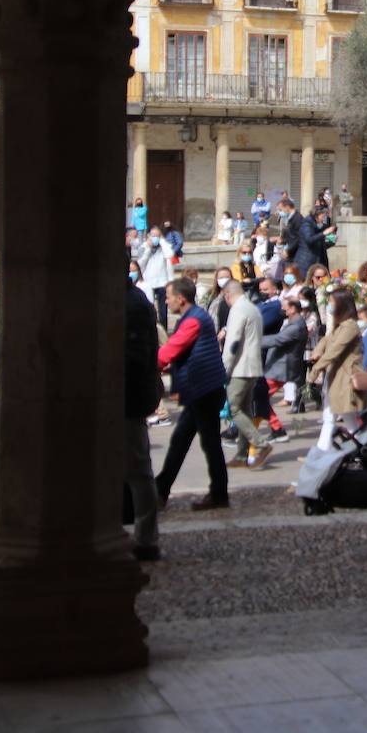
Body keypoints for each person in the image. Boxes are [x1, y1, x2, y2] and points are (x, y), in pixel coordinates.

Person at [155, 277, 229, 511]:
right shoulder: (195, 317)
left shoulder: (193, 320)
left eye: (168, 297)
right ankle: (162, 490)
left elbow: (169, 351)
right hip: (203, 390)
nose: (166, 302)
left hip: (203, 390)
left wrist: (147, 363)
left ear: (181, 298)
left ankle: (218, 494)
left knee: (207, 443)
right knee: (184, 441)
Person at [124, 263, 162, 561]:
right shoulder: (128, 298)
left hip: (128, 398)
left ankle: (146, 538)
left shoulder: (133, 303)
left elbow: (134, 357)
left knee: (138, 469)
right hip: (127, 396)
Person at [222, 279, 274, 471]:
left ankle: (260, 444)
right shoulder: (252, 308)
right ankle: (242, 454)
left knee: (234, 409)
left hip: (240, 367)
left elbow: (233, 342)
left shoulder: (238, 309)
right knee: (244, 409)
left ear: (227, 294)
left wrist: (224, 366)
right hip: (253, 366)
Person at [307, 289, 365, 451]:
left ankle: (357, 447)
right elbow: (328, 340)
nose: (330, 306)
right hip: (335, 376)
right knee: (333, 415)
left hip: (345, 377)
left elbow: (336, 349)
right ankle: (324, 449)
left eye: (332, 303)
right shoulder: (341, 325)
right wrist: (318, 349)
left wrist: (316, 369)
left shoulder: (350, 327)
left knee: (341, 415)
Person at [263, 296, 308, 415]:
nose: (282, 309)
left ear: (292, 309)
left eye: (284, 307)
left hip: (282, 367)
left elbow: (277, 340)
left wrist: (255, 340)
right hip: (284, 366)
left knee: (259, 397)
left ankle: (277, 429)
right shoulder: (294, 323)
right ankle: (298, 405)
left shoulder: (296, 326)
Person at [137, 227, 171, 326]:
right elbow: (140, 265)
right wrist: (148, 249)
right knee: (148, 308)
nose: (155, 238)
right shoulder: (143, 247)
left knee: (163, 310)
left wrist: (162, 242)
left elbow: (169, 255)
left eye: (157, 236)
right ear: (148, 236)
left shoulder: (164, 247)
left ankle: (163, 329)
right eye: (153, 235)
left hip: (162, 282)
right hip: (148, 282)